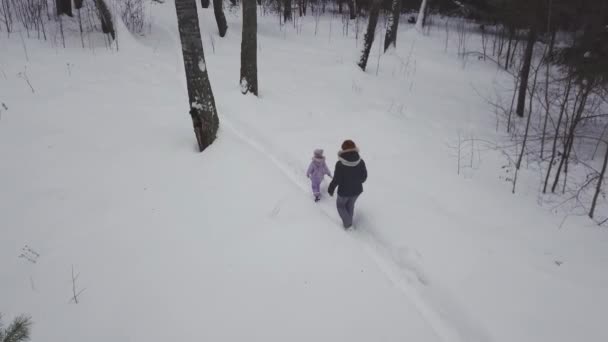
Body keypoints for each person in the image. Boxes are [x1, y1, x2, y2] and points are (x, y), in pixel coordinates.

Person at [328, 140, 367, 229]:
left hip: (344, 192)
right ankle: (349, 222)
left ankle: (348, 225)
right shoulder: (361, 162)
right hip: (357, 190)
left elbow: (336, 179)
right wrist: (355, 181)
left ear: (343, 149)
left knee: (341, 206)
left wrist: (331, 189)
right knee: (350, 205)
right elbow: (364, 177)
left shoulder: (340, 164)